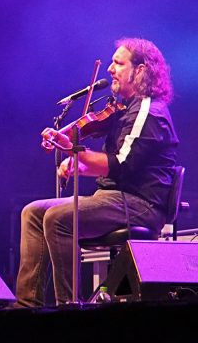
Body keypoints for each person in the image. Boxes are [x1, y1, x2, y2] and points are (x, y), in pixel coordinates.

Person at [15, 38, 178, 307]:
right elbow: (112, 164)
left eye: (118, 63)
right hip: (114, 196)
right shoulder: (125, 109)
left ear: (140, 70)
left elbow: (120, 164)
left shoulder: (149, 111)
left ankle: (68, 305)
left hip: (140, 204)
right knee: (32, 212)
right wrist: (77, 164)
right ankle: (26, 305)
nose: (110, 70)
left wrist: (74, 150)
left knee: (58, 218)